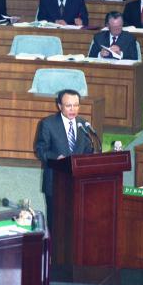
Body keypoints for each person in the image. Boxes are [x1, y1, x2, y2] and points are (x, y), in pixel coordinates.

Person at [35, 89, 93, 232]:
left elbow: (88, 149)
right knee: (56, 224)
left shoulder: (83, 124)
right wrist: (56, 158)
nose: (73, 109)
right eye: (68, 105)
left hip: (78, 181)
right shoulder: (48, 124)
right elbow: (40, 150)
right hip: (56, 180)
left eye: (76, 105)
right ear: (59, 106)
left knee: (76, 223)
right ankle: (54, 253)